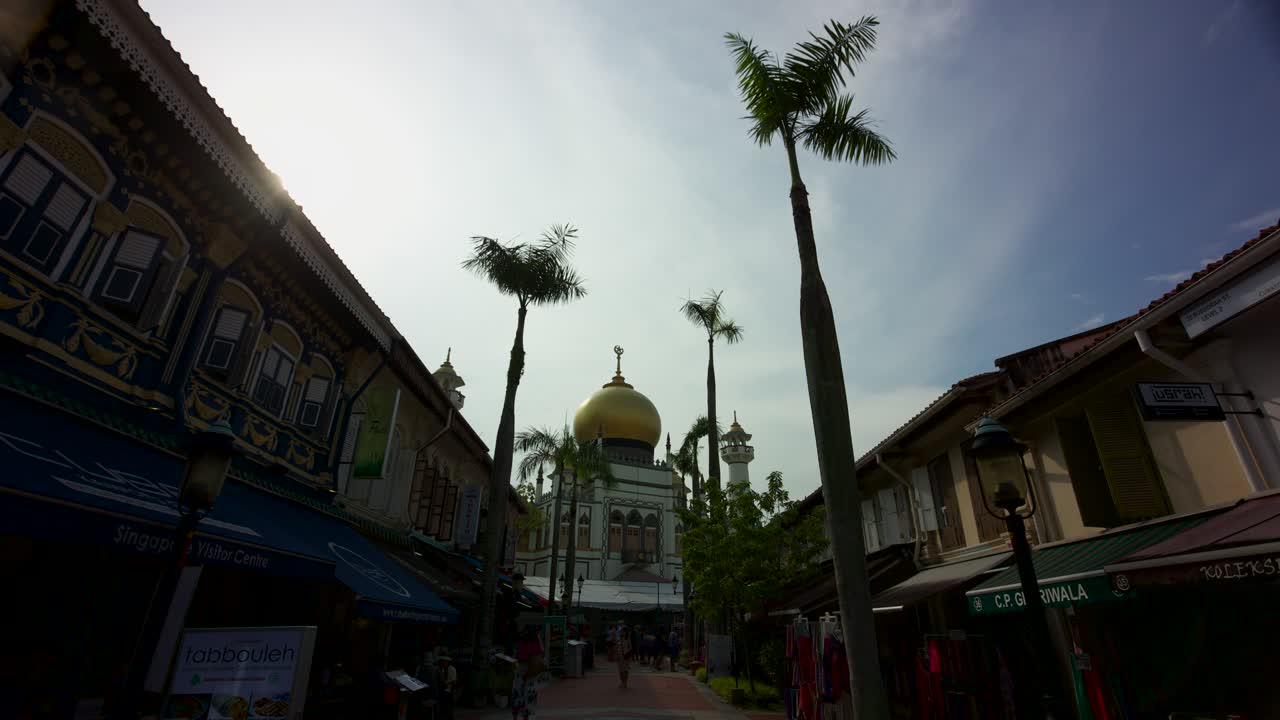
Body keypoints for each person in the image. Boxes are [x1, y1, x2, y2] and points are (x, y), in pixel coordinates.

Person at [511, 628, 544, 720]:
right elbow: (541, 651)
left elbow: (517, 655)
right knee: (528, 695)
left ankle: (515, 716)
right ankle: (525, 716)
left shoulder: (521, 641)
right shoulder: (535, 641)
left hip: (521, 669)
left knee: (518, 694)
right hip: (531, 671)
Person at [435, 655, 456, 720]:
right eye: (441, 662)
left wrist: (446, 684)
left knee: (447, 704)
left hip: (449, 689)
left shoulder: (452, 669)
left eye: (444, 662)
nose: (443, 663)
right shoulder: (439, 669)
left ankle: (448, 716)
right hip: (441, 688)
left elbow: (453, 681)